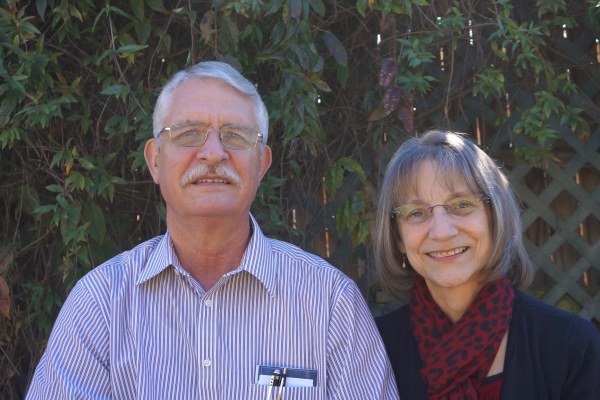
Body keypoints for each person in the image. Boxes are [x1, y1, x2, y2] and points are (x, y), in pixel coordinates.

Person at [26, 62, 399, 399]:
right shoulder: (99, 306)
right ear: (155, 161)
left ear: (261, 165)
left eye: (236, 136)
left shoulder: (331, 305)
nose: (214, 153)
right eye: (189, 133)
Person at [374, 130, 600, 400]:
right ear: (398, 238)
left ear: (495, 219)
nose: (442, 231)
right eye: (416, 212)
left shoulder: (569, 345)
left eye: (462, 204)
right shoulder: (374, 348)